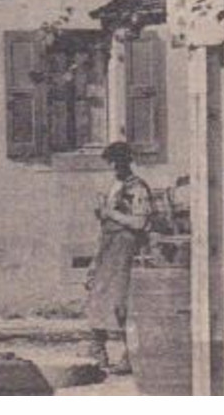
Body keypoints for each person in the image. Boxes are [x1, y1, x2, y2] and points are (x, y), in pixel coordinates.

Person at [85, 140, 152, 374]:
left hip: (127, 248)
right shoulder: (115, 186)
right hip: (109, 246)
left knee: (122, 302)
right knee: (97, 295)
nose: (114, 167)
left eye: (117, 162)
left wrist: (111, 213)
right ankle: (97, 349)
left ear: (126, 162)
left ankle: (129, 354)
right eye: (111, 163)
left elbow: (140, 222)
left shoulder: (138, 188)